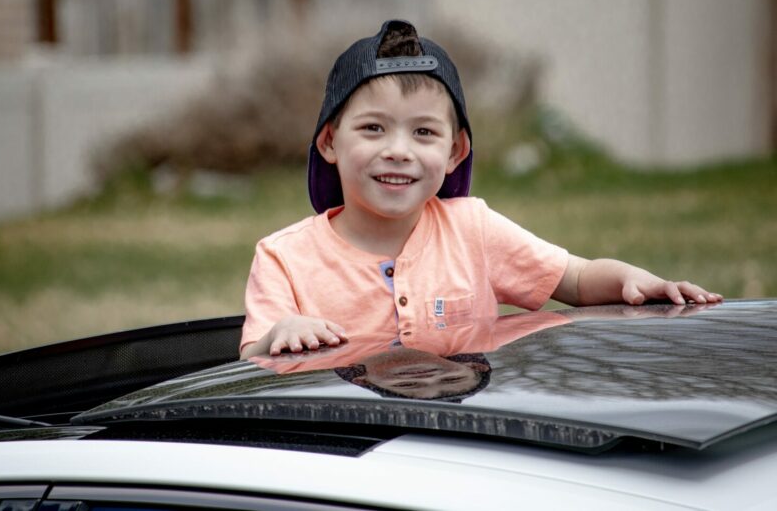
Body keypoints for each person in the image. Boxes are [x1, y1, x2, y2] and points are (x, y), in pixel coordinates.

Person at [240, 19, 722, 359]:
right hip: (350, 456)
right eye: (373, 129)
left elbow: (573, 279)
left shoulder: (472, 229)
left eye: (424, 133)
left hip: (466, 447)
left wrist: (631, 281)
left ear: (455, 151)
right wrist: (281, 335)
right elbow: (248, 365)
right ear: (329, 141)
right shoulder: (283, 258)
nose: (399, 151)